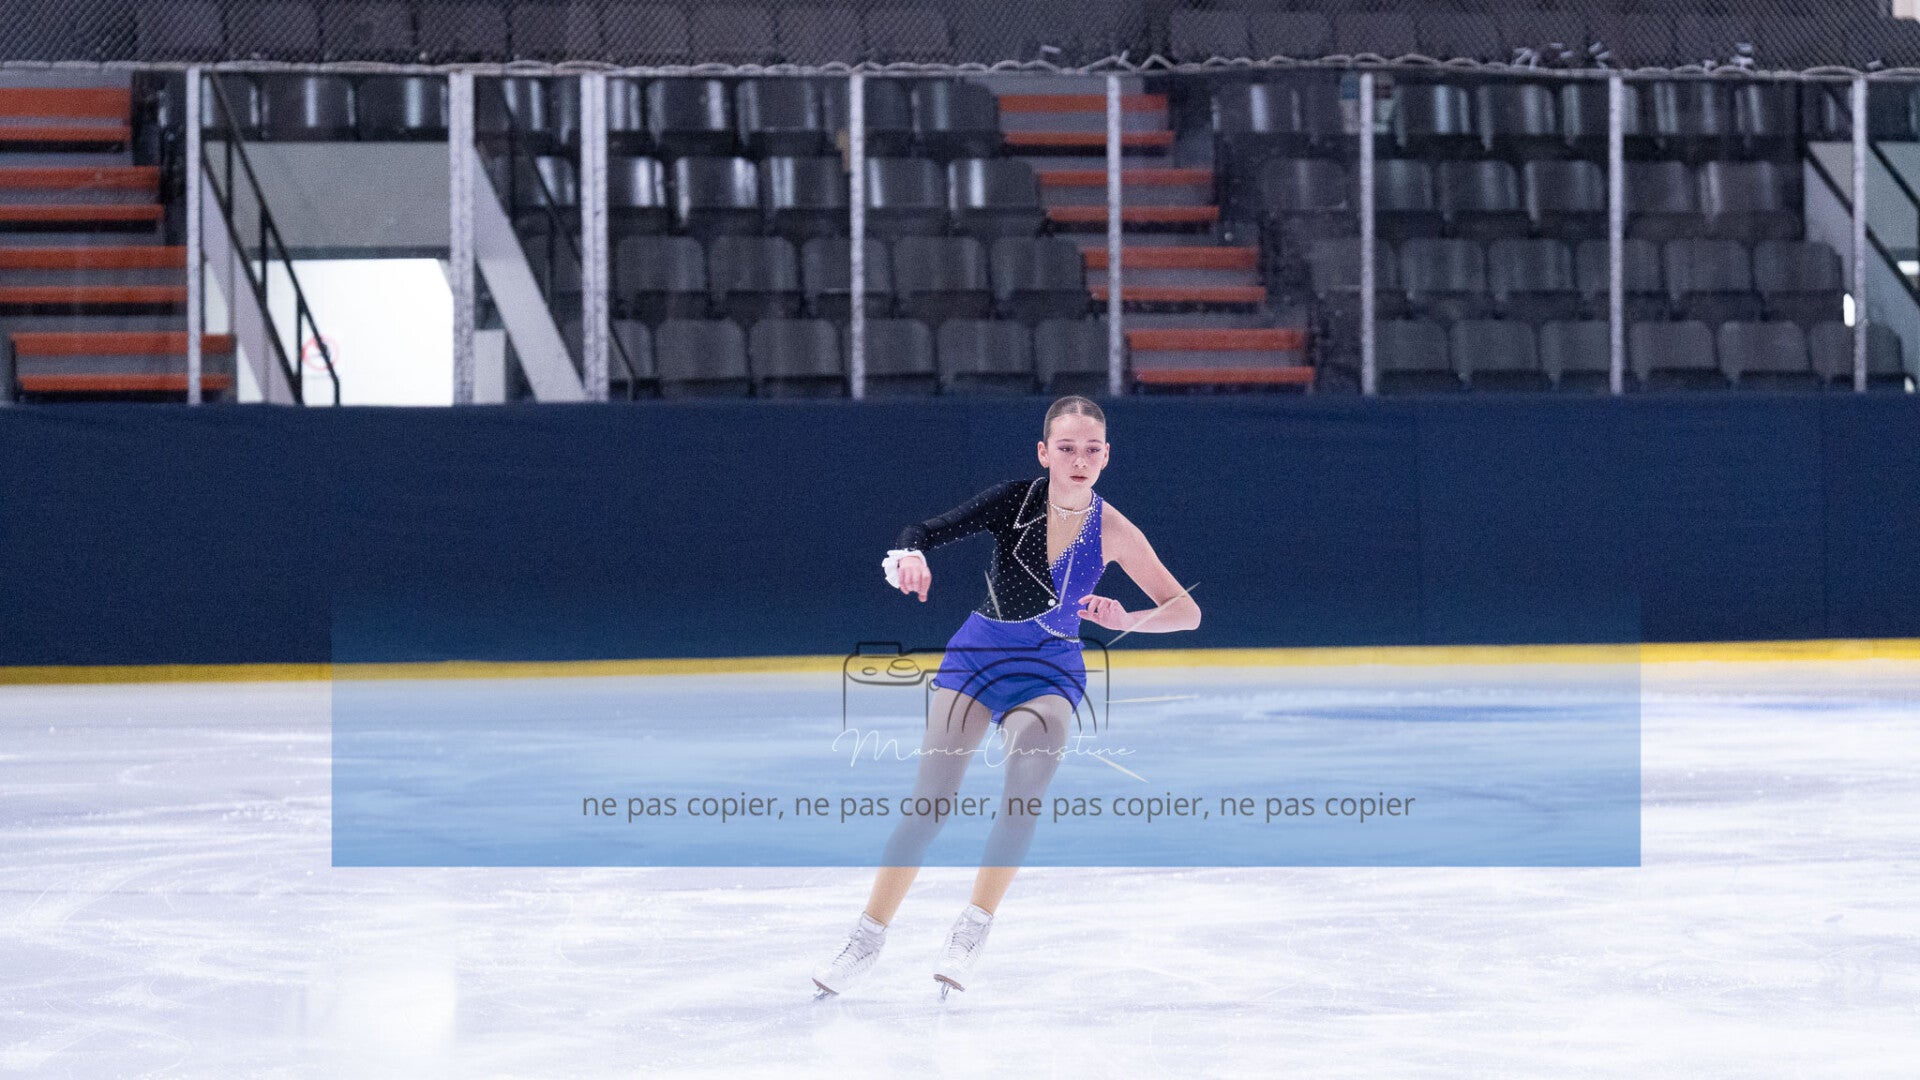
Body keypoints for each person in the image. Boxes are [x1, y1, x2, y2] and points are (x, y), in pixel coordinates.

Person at [812, 395, 1201, 1000]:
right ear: (1044, 453)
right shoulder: (1014, 502)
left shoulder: (1116, 531)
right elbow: (924, 531)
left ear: (1106, 456)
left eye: (1090, 450)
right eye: (1066, 448)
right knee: (929, 806)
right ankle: (865, 941)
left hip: (1050, 671)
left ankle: (971, 931)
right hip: (977, 658)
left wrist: (1128, 618)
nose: (1078, 460)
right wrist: (909, 558)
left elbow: (1187, 612)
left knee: (1024, 792)